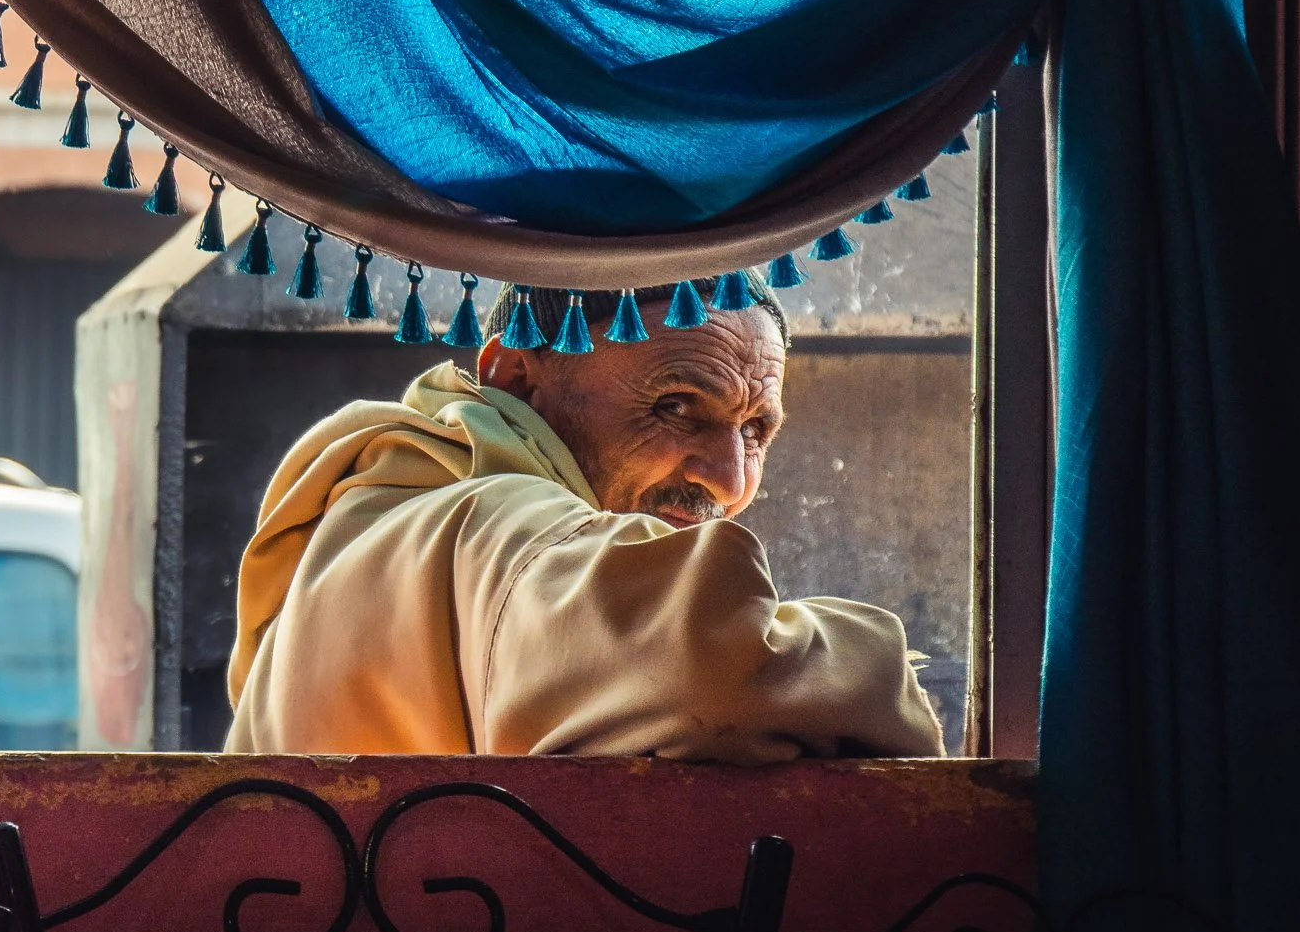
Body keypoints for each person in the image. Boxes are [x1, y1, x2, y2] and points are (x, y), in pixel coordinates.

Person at [225, 279, 943, 761]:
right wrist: (888, 664)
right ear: (516, 379)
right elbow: (723, 667)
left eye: (756, 429)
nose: (730, 482)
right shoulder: (490, 522)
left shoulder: (391, 508)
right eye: (677, 406)